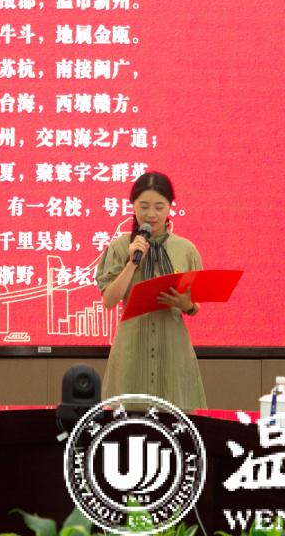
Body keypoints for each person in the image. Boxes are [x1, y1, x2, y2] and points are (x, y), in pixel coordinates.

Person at [95, 171, 206, 411]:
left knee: (176, 422)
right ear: (133, 205)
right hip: (132, 349)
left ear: (170, 207)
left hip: (172, 348)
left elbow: (195, 306)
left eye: (159, 206)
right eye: (144, 206)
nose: (152, 214)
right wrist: (132, 263)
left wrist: (185, 304)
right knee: (127, 422)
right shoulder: (119, 247)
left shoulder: (186, 249)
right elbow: (109, 300)